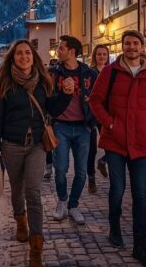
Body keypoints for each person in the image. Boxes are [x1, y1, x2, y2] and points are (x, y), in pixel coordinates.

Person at [0, 40, 73, 267]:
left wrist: (65, 95)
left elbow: (53, 110)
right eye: (19, 54)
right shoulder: (4, 83)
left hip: (36, 144)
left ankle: (36, 249)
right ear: (12, 58)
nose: (24, 57)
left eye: (27, 53)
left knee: (33, 192)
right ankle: (20, 220)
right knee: (17, 190)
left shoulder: (42, 82)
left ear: (33, 56)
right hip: (11, 146)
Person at [89, 30, 146, 267]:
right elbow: (95, 100)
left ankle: (140, 245)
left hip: (141, 142)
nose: (132, 47)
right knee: (117, 189)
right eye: (128, 43)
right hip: (115, 141)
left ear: (142, 47)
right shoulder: (109, 72)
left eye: (135, 43)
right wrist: (110, 123)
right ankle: (114, 227)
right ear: (123, 47)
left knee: (140, 194)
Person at [48, 35, 97, 224]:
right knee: (60, 169)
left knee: (81, 171)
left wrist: (91, 108)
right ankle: (62, 201)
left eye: (61, 48)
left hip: (83, 127)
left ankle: (74, 205)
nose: (58, 51)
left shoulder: (89, 73)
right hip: (61, 126)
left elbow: (99, 98)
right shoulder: (53, 73)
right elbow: (47, 99)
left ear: (72, 52)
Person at [88, 44, 110, 193]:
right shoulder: (90, 72)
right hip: (91, 113)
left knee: (112, 143)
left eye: (104, 54)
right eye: (99, 54)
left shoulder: (111, 71)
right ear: (94, 56)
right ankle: (91, 179)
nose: (102, 57)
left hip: (106, 112)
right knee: (92, 149)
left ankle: (103, 161)